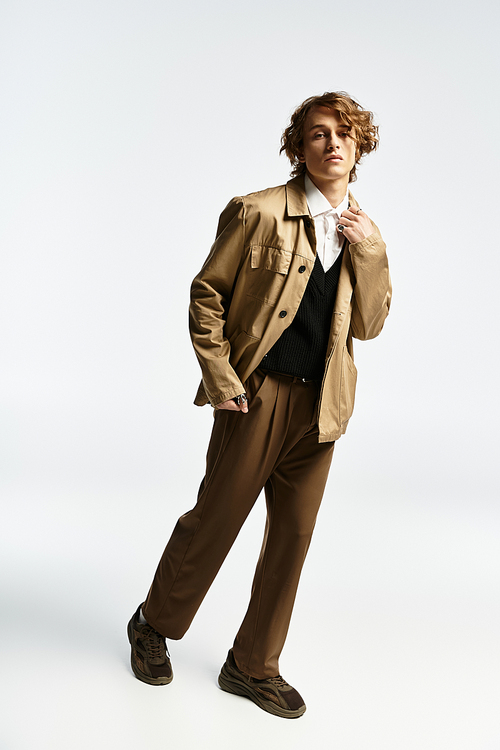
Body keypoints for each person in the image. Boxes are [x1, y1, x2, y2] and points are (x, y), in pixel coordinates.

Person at [127, 91, 392, 719]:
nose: (331, 144)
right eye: (318, 134)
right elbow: (207, 294)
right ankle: (152, 623)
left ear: (359, 148)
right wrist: (222, 380)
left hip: (321, 410)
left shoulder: (364, 230)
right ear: (298, 146)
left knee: (292, 538)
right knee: (216, 519)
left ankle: (252, 666)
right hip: (257, 397)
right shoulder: (257, 211)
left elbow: (372, 325)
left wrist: (371, 250)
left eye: (343, 135)